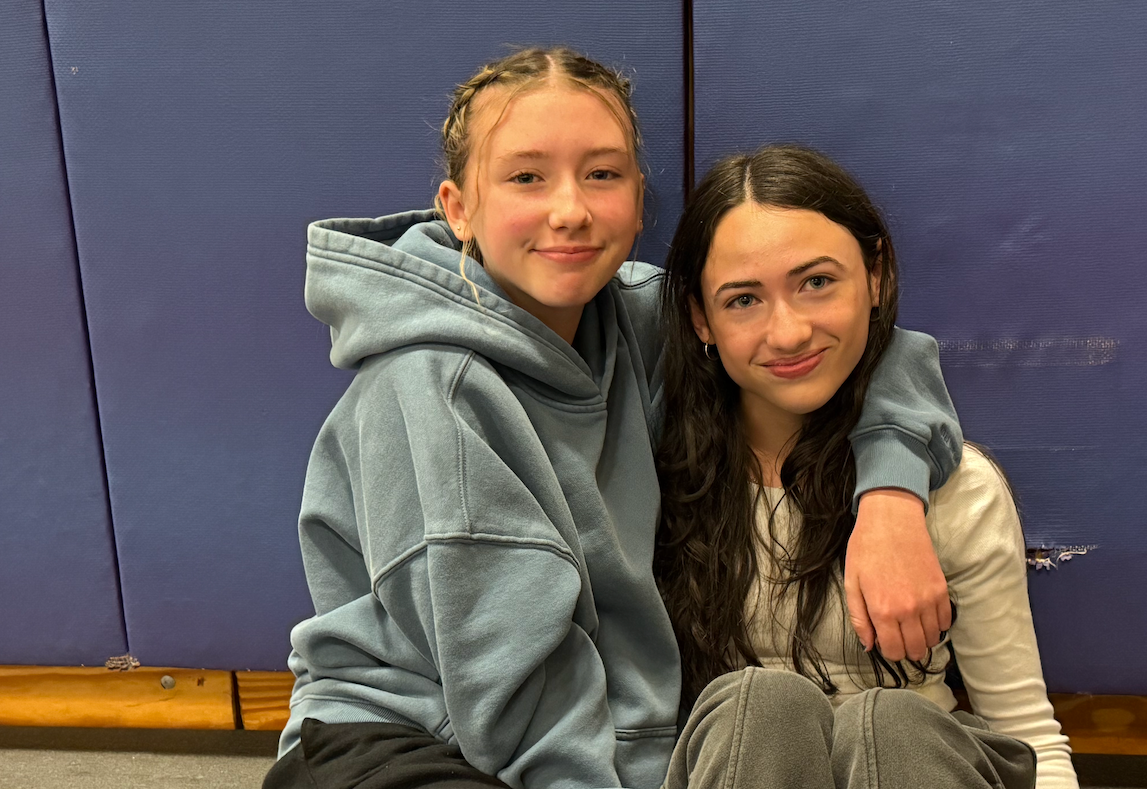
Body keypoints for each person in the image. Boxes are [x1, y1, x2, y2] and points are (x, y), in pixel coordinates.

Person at [265, 50, 963, 789]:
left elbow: (869, 351)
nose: (570, 209)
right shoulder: (435, 385)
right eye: (527, 177)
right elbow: (514, 692)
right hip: (405, 739)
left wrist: (889, 497)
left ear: (637, 199)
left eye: (602, 174)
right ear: (458, 207)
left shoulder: (633, 316)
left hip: (590, 728)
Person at [653, 144, 1078, 789]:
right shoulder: (653, 474)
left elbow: (1026, 729)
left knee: (892, 726)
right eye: (743, 299)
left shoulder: (959, 491)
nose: (790, 332)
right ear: (698, 318)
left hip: (918, 764)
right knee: (760, 708)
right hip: (735, 763)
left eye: (817, 282)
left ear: (874, 277)